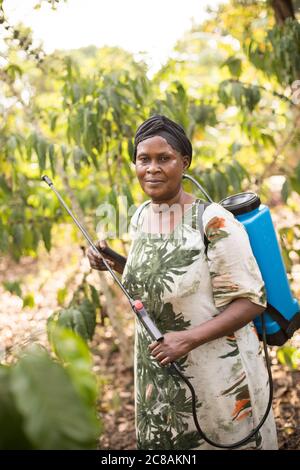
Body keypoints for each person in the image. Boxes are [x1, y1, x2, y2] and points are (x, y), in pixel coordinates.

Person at [87, 114, 278, 450]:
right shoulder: (143, 214)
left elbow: (251, 301)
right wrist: (114, 263)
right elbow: (164, 276)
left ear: (184, 162)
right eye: (143, 159)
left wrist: (186, 340)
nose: (152, 168)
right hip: (160, 376)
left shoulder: (215, 221)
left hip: (217, 380)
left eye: (164, 158)